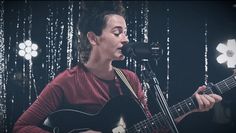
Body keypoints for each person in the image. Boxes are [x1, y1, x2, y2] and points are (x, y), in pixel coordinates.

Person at [13, 1, 222, 133]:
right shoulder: (67, 81)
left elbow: (150, 127)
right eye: (117, 32)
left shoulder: (130, 79)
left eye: (126, 32)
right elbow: (21, 127)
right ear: (93, 38)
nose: (125, 39)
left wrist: (191, 106)